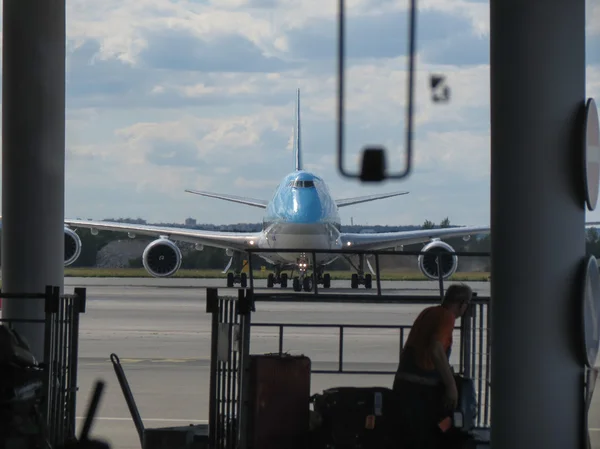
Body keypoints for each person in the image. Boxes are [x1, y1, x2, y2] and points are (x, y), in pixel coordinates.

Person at [392, 283, 473, 449]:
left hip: (403, 386)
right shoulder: (446, 317)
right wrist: (451, 386)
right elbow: (436, 349)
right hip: (419, 390)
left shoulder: (429, 312)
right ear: (462, 304)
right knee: (428, 437)